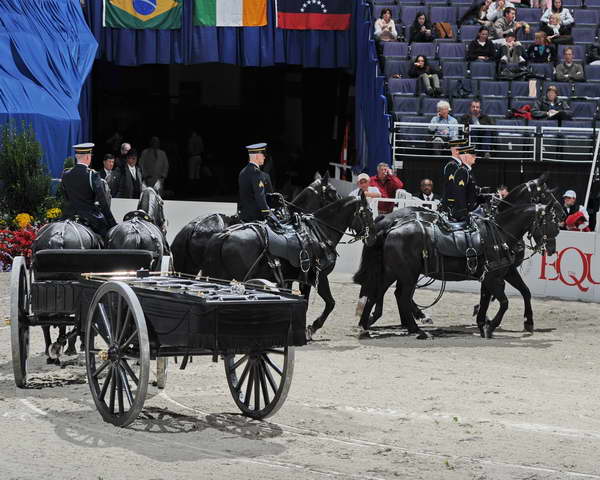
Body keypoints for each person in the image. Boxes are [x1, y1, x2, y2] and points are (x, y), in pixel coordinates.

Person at [61, 143, 117, 238]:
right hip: (89, 218)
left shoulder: (66, 174)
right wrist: (112, 223)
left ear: (76, 157)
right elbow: (102, 202)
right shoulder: (92, 175)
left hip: (69, 216)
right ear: (87, 157)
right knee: (107, 238)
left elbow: (65, 198)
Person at [238, 143, 274, 222]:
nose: (264, 157)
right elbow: (260, 196)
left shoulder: (242, 171)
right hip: (256, 216)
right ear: (257, 156)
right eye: (263, 155)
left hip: (244, 214)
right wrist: (267, 213)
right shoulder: (257, 173)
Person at [451, 143, 480, 221]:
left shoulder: (468, 171)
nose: (475, 157)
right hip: (463, 214)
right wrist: (464, 212)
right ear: (465, 156)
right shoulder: (462, 171)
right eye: (472, 155)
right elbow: (460, 193)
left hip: (470, 210)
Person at [440, 138, 466, 214]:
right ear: (454, 150)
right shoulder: (452, 165)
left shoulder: (459, 165)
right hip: (452, 202)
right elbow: (452, 185)